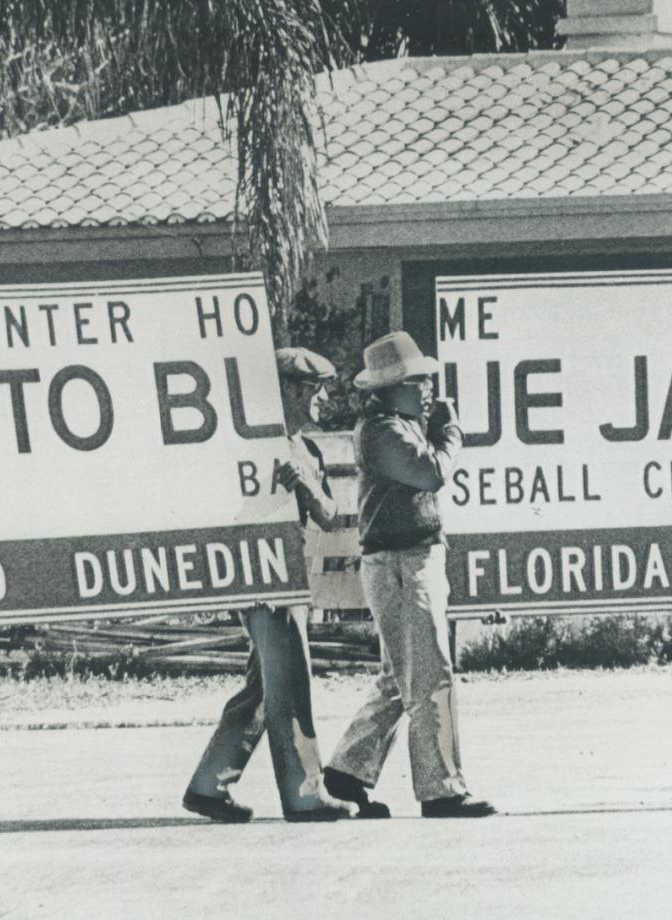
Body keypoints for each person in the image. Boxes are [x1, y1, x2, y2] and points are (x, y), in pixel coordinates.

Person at [322, 332, 495, 819]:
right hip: (401, 561)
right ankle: (441, 790)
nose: (427, 389)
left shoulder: (395, 423)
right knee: (430, 672)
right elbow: (431, 473)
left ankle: (347, 771)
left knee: (402, 678)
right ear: (391, 386)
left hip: (406, 558)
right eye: (417, 380)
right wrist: (451, 432)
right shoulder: (382, 430)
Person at [182, 347, 357, 823]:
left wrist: (302, 482)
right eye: (311, 389)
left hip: (292, 575)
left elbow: (330, 514)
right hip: (265, 579)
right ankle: (305, 793)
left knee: (264, 688)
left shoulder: (308, 448)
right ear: (285, 392)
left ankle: (208, 786)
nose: (321, 398)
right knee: (291, 681)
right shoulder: (250, 446)